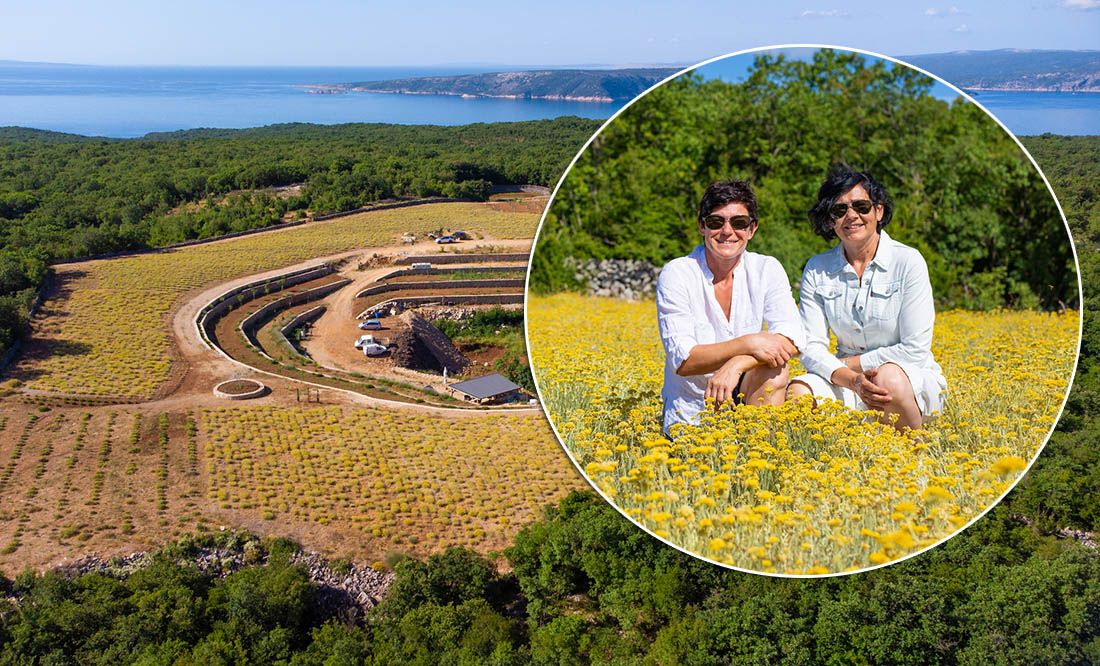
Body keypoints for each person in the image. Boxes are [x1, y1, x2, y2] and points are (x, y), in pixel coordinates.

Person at [788, 168, 946, 430]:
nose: (851, 216)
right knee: (799, 393)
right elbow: (811, 346)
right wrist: (851, 379)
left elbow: (914, 349)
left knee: (887, 379)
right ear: (830, 219)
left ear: (878, 211)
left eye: (861, 206)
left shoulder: (908, 261)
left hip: (907, 378)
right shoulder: (817, 268)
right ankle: (838, 455)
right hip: (846, 380)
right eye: (839, 210)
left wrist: (849, 365)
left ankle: (914, 450)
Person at [657, 180, 805, 437]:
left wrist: (736, 363)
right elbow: (684, 360)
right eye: (716, 222)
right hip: (692, 410)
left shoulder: (767, 268)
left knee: (776, 370)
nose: (727, 231)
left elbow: (793, 339)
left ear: (752, 229)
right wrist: (748, 343)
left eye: (739, 222)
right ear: (702, 226)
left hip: (745, 392)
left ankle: (759, 450)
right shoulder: (677, 273)